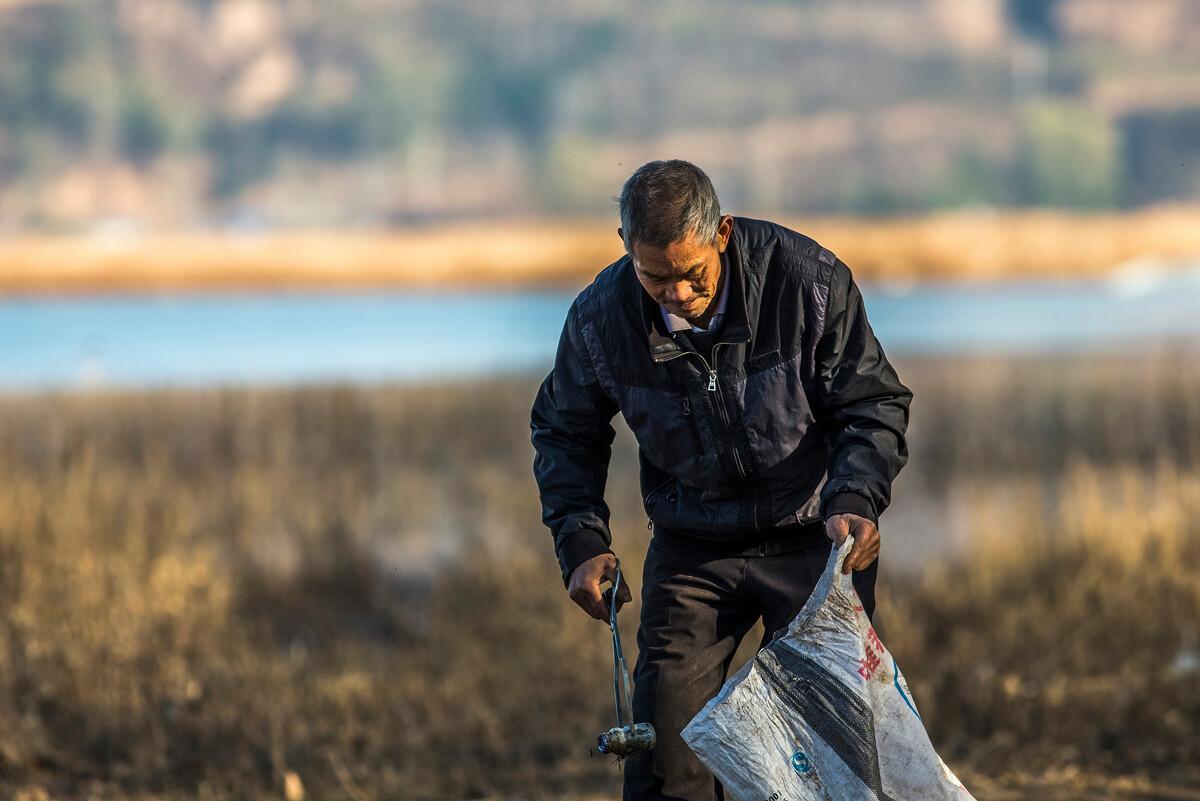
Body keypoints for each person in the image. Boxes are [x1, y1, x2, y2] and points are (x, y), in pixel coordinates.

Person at [530, 159, 911, 801]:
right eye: (655, 277)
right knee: (664, 764)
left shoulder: (809, 280)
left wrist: (855, 500)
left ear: (723, 233)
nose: (676, 294)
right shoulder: (599, 320)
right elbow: (565, 433)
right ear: (626, 248)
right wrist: (581, 542)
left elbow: (872, 404)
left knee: (826, 761)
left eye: (692, 274)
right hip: (692, 550)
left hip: (817, 540)